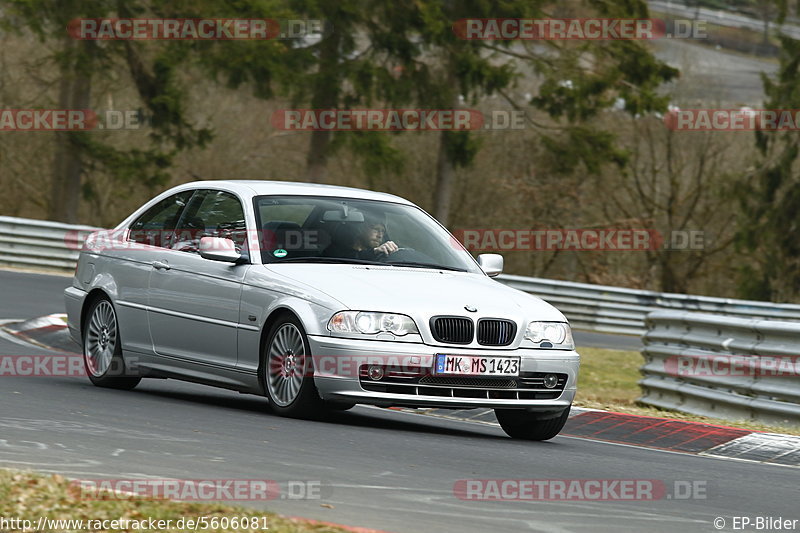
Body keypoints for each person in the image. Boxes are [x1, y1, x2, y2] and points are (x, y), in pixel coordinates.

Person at [324, 214, 399, 260]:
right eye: (376, 229)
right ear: (361, 229)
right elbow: (348, 259)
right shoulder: (335, 251)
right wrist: (374, 252)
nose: (380, 235)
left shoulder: (382, 254)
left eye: (383, 231)